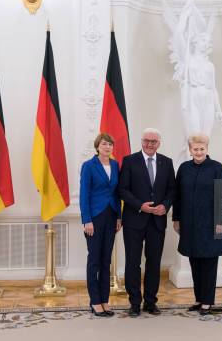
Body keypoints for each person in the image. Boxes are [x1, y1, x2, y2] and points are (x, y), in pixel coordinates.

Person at [119, 128, 177, 317]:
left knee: (154, 262)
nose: (150, 144)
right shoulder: (129, 161)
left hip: (157, 221)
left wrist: (165, 206)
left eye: (154, 141)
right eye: (147, 140)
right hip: (134, 220)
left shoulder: (167, 162)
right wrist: (139, 205)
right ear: (141, 141)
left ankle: (150, 302)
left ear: (159, 143)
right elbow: (123, 190)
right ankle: (135, 302)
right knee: (133, 262)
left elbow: (172, 190)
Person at [173, 133, 222, 315]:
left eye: (201, 148)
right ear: (190, 150)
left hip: (212, 224)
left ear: (207, 148)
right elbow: (177, 196)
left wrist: (221, 221)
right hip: (189, 224)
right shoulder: (184, 168)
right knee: (194, 261)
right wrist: (176, 218)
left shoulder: (217, 168)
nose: (198, 152)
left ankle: (208, 301)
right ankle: (198, 299)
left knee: (209, 263)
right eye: (195, 149)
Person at [79, 133, 122, 317]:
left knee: (106, 260)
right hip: (94, 218)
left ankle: (105, 300)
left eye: (110, 144)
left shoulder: (115, 165)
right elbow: (84, 195)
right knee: (94, 260)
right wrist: (86, 220)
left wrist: (119, 217)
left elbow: (117, 194)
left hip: (111, 216)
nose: (108, 147)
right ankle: (95, 301)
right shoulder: (88, 166)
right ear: (97, 147)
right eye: (104, 144)